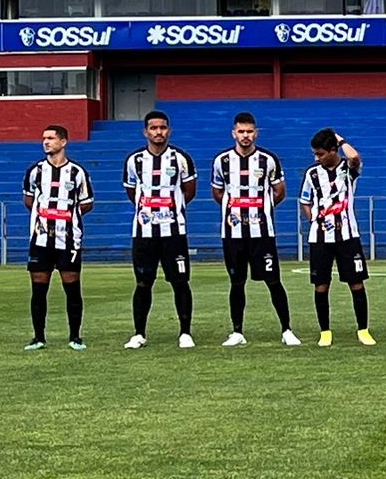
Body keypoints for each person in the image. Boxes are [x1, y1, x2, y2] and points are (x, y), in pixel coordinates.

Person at [212, 112, 300, 348]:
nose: (245, 136)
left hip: (262, 232)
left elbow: (279, 191)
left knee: (273, 281)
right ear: (234, 133)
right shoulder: (222, 161)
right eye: (241, 131)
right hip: (233, 234)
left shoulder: (268, 160)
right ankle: (237, 331)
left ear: (256, 133)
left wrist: (263, 210)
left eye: (249, 131)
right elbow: (218, 193)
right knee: (236, 282)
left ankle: (287, 329)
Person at [123, 109, 197, 350]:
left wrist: (171, 210)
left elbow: (190, 191)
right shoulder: (134, 161)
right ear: (146, 131)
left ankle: (185, 333)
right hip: (144, 233)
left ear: (169, 130)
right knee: (143, 282)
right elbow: (132, 193)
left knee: (180, 282)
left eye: (162, 127)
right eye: (153, 128)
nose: (158, 132)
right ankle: (139, 333)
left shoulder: (181, 158)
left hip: (174, 231)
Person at [299, 129, 376, 347]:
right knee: (321, 285)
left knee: (356, 283)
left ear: (333, 150)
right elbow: (304, 201)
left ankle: (363, 330)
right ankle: (325, 331)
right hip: (320, 238)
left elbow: (353, 157)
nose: (317, 158)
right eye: (315, 154)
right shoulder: (312, 174)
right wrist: (313, 219)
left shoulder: (347, 169)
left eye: (321, 154)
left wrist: (341, 139)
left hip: (348, 237)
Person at [22, 124, 94, 351]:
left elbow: (87, 203)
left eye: (51, 138)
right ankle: (39, 337)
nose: (46, 142)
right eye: (44, 138)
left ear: (63, 142)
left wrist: (66, 218)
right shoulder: (35, 171)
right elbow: (29, 200)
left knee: (71, 287)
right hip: (41, 239)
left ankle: (75, 337)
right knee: (39, 288)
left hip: (69, 239)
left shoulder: (77, 172)